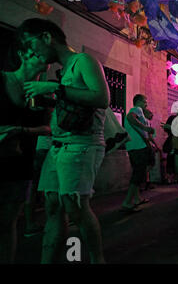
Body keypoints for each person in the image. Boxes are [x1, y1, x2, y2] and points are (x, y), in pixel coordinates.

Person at [18, 18, 109, 264]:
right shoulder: (62, 70)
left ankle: (96, 259)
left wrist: (56, 90)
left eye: (32, 43)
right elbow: (72, 102)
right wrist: (46, 97)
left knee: (75, 206)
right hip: (58, 145)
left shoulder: (84, 61)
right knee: (53, 206)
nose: (32, 51)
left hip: (81, 144)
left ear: (47, 37)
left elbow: (101, 97)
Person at [0, 40, 50, 263]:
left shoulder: (40, 93)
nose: (44, 59)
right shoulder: (3, 80)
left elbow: (50, 127)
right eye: (37, 53)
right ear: (22, 53)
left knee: (7, 223)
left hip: (20, 164)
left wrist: (22, 130)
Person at [121, 94, 154, 212]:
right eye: (145, 101)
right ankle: (127, 202)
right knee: (139, 174)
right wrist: (145, 128)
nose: (146, 104)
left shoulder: (139, 112)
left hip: (133, 146)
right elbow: (130, 117)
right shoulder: (137, 110)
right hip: (138, 147)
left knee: (137, 172)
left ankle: (137, 198)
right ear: (139, 101)